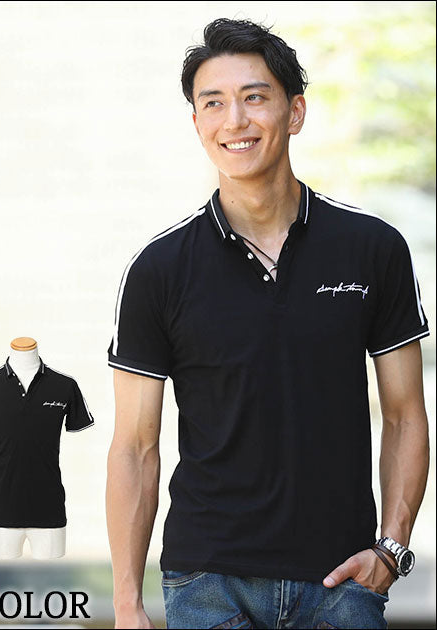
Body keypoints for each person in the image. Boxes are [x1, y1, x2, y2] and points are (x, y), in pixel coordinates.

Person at [106, 17, 430, 630]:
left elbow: (405, 414)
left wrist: (392, 549)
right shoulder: (159, 269)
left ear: (295, 111)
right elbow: (134, 448)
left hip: (342, 584)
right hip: (208, 585)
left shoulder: (372, 248)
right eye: (214, 103)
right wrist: (127, 603)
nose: (235, 120)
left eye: (254, 97)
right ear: (197, 123)